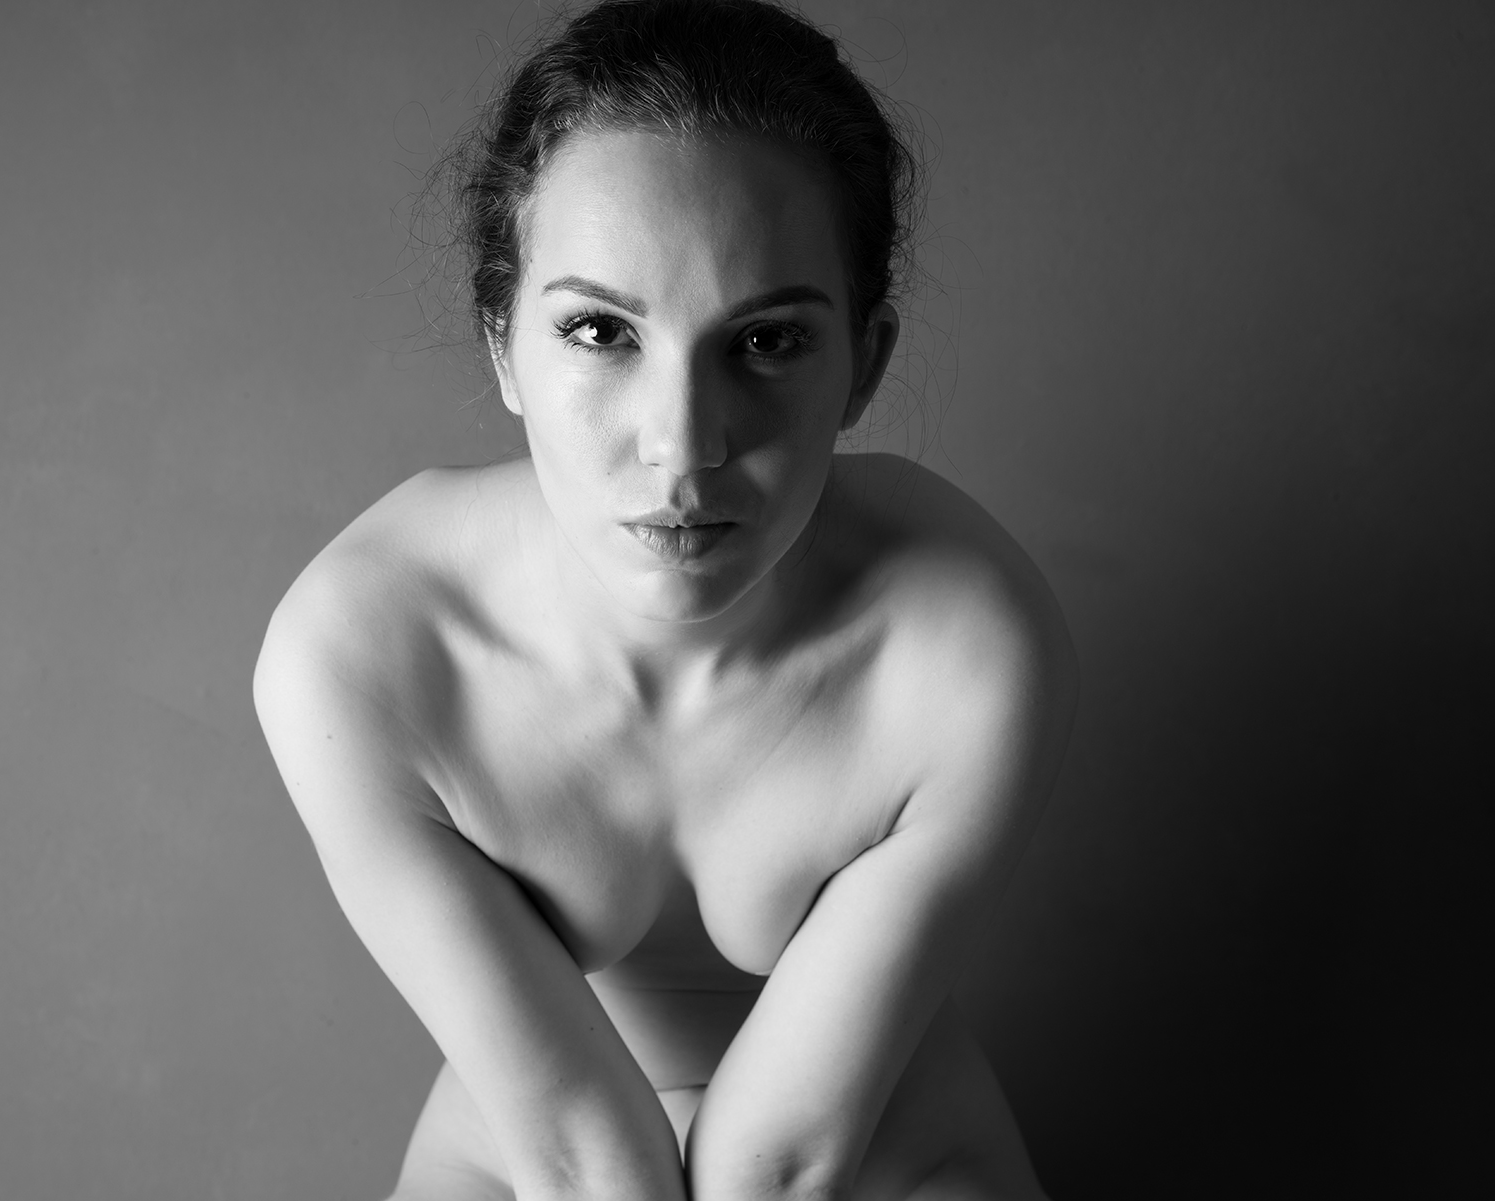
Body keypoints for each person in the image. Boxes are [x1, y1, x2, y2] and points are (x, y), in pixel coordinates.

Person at [253, 2, 1077, 1197]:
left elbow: (781, 1162)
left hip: (893, 1168)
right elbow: (578, 1157)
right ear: (503, 347)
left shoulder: (965, 644)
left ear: (865, 364)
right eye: (600, 330)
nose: (683, 447)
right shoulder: (365, 650)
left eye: (767, 342)